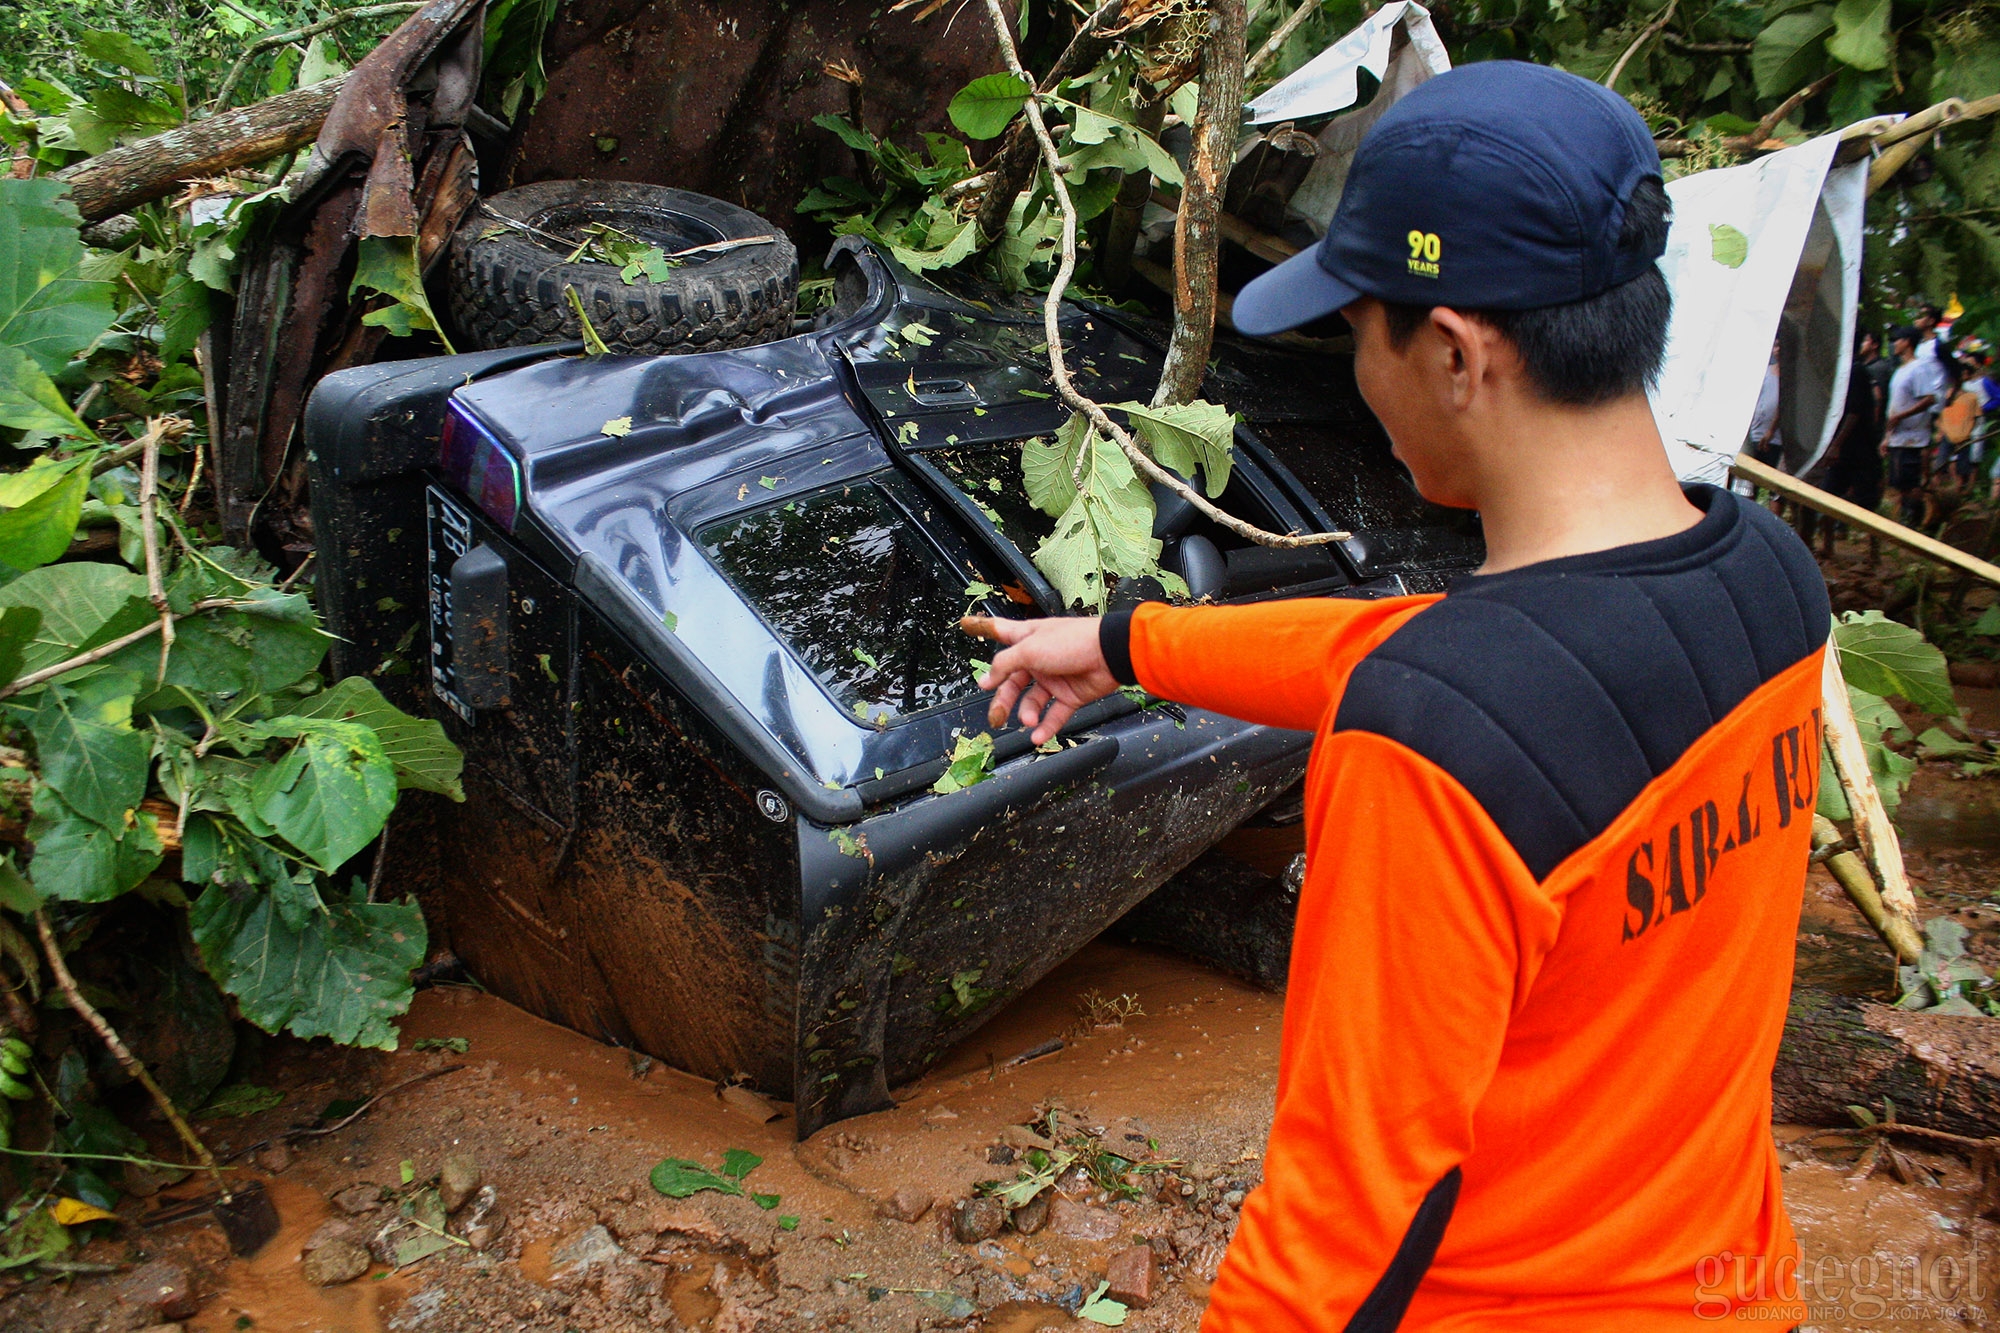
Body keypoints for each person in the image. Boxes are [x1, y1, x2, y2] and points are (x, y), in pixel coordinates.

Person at [967, 61, 1826, 1330]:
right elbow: (1427, 651)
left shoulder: (1430, 755)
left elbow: (1330, 1237)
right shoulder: (1763, 580)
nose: (1357, 375)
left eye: (1357, 333)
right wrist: (1120, 641)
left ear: (1452, 353)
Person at [1883, 324, 1941, 525]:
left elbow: (1929, 399)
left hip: (1913, 438)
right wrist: (1887, 437)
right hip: (1899, 436)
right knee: (1898, 482)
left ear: (1907, 342)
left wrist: (1902, 416)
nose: (1894, 345)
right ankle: (1903, 518)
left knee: (1910, 482)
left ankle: (1913, 518)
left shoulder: (1919, 368)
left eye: (1897, 340)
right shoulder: (1901, 370)